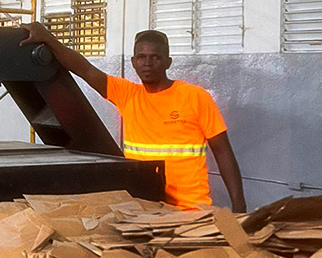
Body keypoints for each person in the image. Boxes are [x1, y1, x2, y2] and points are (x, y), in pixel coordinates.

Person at [20, 23, 246, 213]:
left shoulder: (195, 97)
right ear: (133, 61)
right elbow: (85, 69)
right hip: (142, 209)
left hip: (190, 211)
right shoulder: (127, 95)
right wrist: (48, 38)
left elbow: (223, 152)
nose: (148, 63)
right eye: (142, 57)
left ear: (168, 62)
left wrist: (239, 206)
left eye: (155, 57)